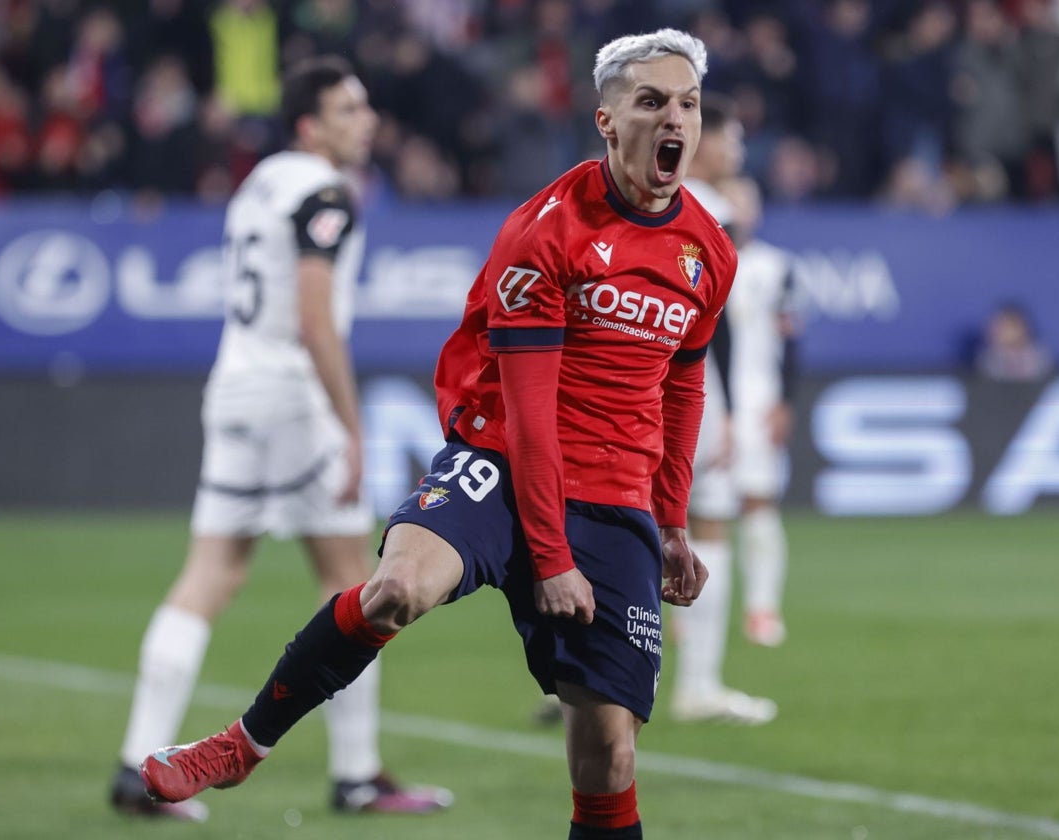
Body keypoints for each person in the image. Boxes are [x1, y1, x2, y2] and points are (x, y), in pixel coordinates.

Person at [139, 28, 733, 839]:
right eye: (652, 101)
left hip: (616, 490)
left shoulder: (709, 250)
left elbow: (683, 383)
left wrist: (670, 521)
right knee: (393, 589)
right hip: (503, 457)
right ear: (606, 119)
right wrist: (550, 557)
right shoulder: (545, 233)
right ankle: (243, 743)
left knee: (609, 753)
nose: (676, 119)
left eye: (688, 104)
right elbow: (527, 410)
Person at [109, 56, 452, 821]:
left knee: (209, 576)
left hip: (232, 386)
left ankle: (138, 762)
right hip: (295, 400)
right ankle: (357, 773)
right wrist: (351, 425)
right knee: (352, 584)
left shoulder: (260, 181)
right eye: (348, 109)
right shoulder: (326, 193)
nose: (366, 120)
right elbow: (314, 318)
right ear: (310, 124)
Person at [668, 95, 778, 725]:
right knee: (707, 521)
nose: (734, 151)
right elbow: (719, 321)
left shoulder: (640, 195)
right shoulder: (717, 212)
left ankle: (574, 672)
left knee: (618, 523)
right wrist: (730, 409)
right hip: (689, 391)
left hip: (633, 386)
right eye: (728, 140)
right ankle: (699, 685)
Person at [720, 174, 799, 653]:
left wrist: (785, 401)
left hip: (757, 398)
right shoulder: (694, 257)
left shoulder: (777, 267)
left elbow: (793, 343)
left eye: (747, 201)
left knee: (757, 501)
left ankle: (763, 608)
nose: (740, 210)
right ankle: (684, 612)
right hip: (704, 399)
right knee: (687, 511)